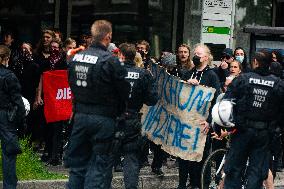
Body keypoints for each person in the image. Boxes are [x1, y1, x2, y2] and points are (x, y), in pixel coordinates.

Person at [64, 20, 130, 189]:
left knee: (77, 167)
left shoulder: (75, 57)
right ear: (108, 36)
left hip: (79, 116)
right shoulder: (110, 60)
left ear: (93, 35)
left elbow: (70, 82)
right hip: (104, 118)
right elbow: (124, 91)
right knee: (97, 167)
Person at [223, 49, 284, 189]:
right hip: (264, 135)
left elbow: (225, 105)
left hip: (241, 131)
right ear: (270, 64)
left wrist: (226, 128)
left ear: (255, 62)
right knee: (256, 174)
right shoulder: (278, 84)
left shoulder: (243, 79)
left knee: (234, 171)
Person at [177, 43, 221, 189]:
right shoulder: (188, 73)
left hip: (202, 125)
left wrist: (209, 121)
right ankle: (183, 184)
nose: (196, 56)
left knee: (200, 159)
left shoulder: (211, 76)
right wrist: (186, 85)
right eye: (194, 54)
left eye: (199, 54)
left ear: (206, 57)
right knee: (183, 157)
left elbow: (215, 101)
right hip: (187, 123)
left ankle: (201, 184)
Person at [116, 42, 158, 189]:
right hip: (131, 120)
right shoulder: (144, 74)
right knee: (131, 159)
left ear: (120, 55)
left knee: (105, 159)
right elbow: (152, 100)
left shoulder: (111, 71)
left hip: (111, 119)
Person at [0, 45, 25, 189]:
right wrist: (21, 123)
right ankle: (9, 186)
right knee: (9, 153)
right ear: (6, 58)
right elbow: (18, 102)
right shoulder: (9, 76)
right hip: (5, 116)